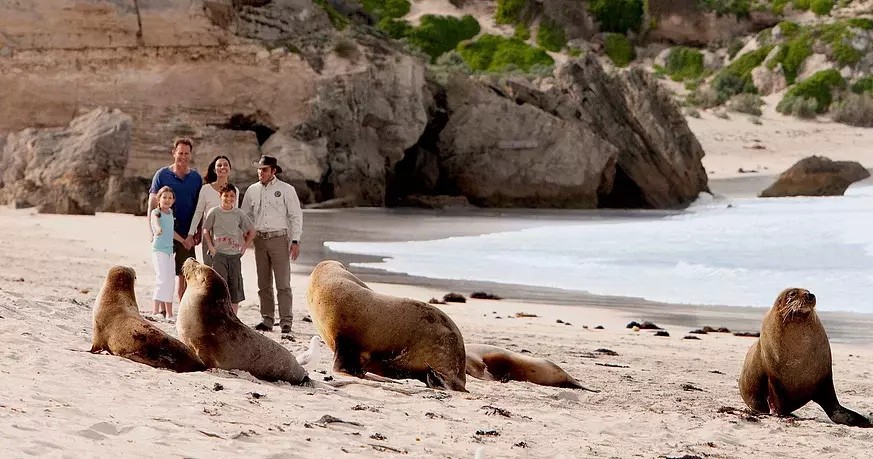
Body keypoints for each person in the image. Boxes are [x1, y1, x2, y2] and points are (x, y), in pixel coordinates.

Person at [241, 155, 303, 334]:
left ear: (273, 171)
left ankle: (286, 322)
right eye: (259, 169)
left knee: (283, 282)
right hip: (259, 240)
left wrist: (296, 240)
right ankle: (267, 319)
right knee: (263, 283)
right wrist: (246, 236)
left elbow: (295, 216)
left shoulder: (286, 190)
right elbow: (245, 215)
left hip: (279, 239)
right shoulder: (252, 190)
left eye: (265, 169)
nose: (261, 172)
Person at [147, 137, 203, 310]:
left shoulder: (196, 178)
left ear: (190, 155)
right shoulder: (162, 174)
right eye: (180, 153)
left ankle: (183, 308)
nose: (183, 156)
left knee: (185, 273)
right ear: (174, 153)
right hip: (164, 232)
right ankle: (162, 309)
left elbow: (199, 207)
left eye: (187, 153)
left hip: (187, 234)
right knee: (165, 272)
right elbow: (151, 205)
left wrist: (198, 230)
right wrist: (151, 230)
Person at [202, 183, 254, 315]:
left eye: (232, 196)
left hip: (235, 256)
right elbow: (206, 230)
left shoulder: (239, 213)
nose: (229, 198)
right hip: (219, 255)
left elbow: (252, 231)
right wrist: (211, 247)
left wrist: (244, 247)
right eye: (226, 195)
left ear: (235, 198)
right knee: (219, 286)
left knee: (234, 285)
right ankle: (220, 314)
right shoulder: (214, 212)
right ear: (220, 196)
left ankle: (233, 316)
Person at [189, 155, 234, 266]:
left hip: (227, 236)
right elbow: (199, 212)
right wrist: (191, 233)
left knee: (226, 271)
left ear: (230, 169)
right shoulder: (206, 189)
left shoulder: (234, 190)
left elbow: (235, 215)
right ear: (214, 170)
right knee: (210, 270)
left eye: (225, 165)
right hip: (208, 234)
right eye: (219, 165)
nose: (222, 167)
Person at [149, 186, 182, 322]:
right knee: (161, 279)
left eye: (170, 198)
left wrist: (183, 240)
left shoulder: (170, 214)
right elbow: (155, 223)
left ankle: (169, 313)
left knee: (170, 281)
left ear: (173, 200)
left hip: (169, 252)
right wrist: (157, 230)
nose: (167, 200)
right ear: (159, 199)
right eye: (164, 197)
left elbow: (172, 232)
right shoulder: (156, 212)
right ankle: (155, 310)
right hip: (159, 250)